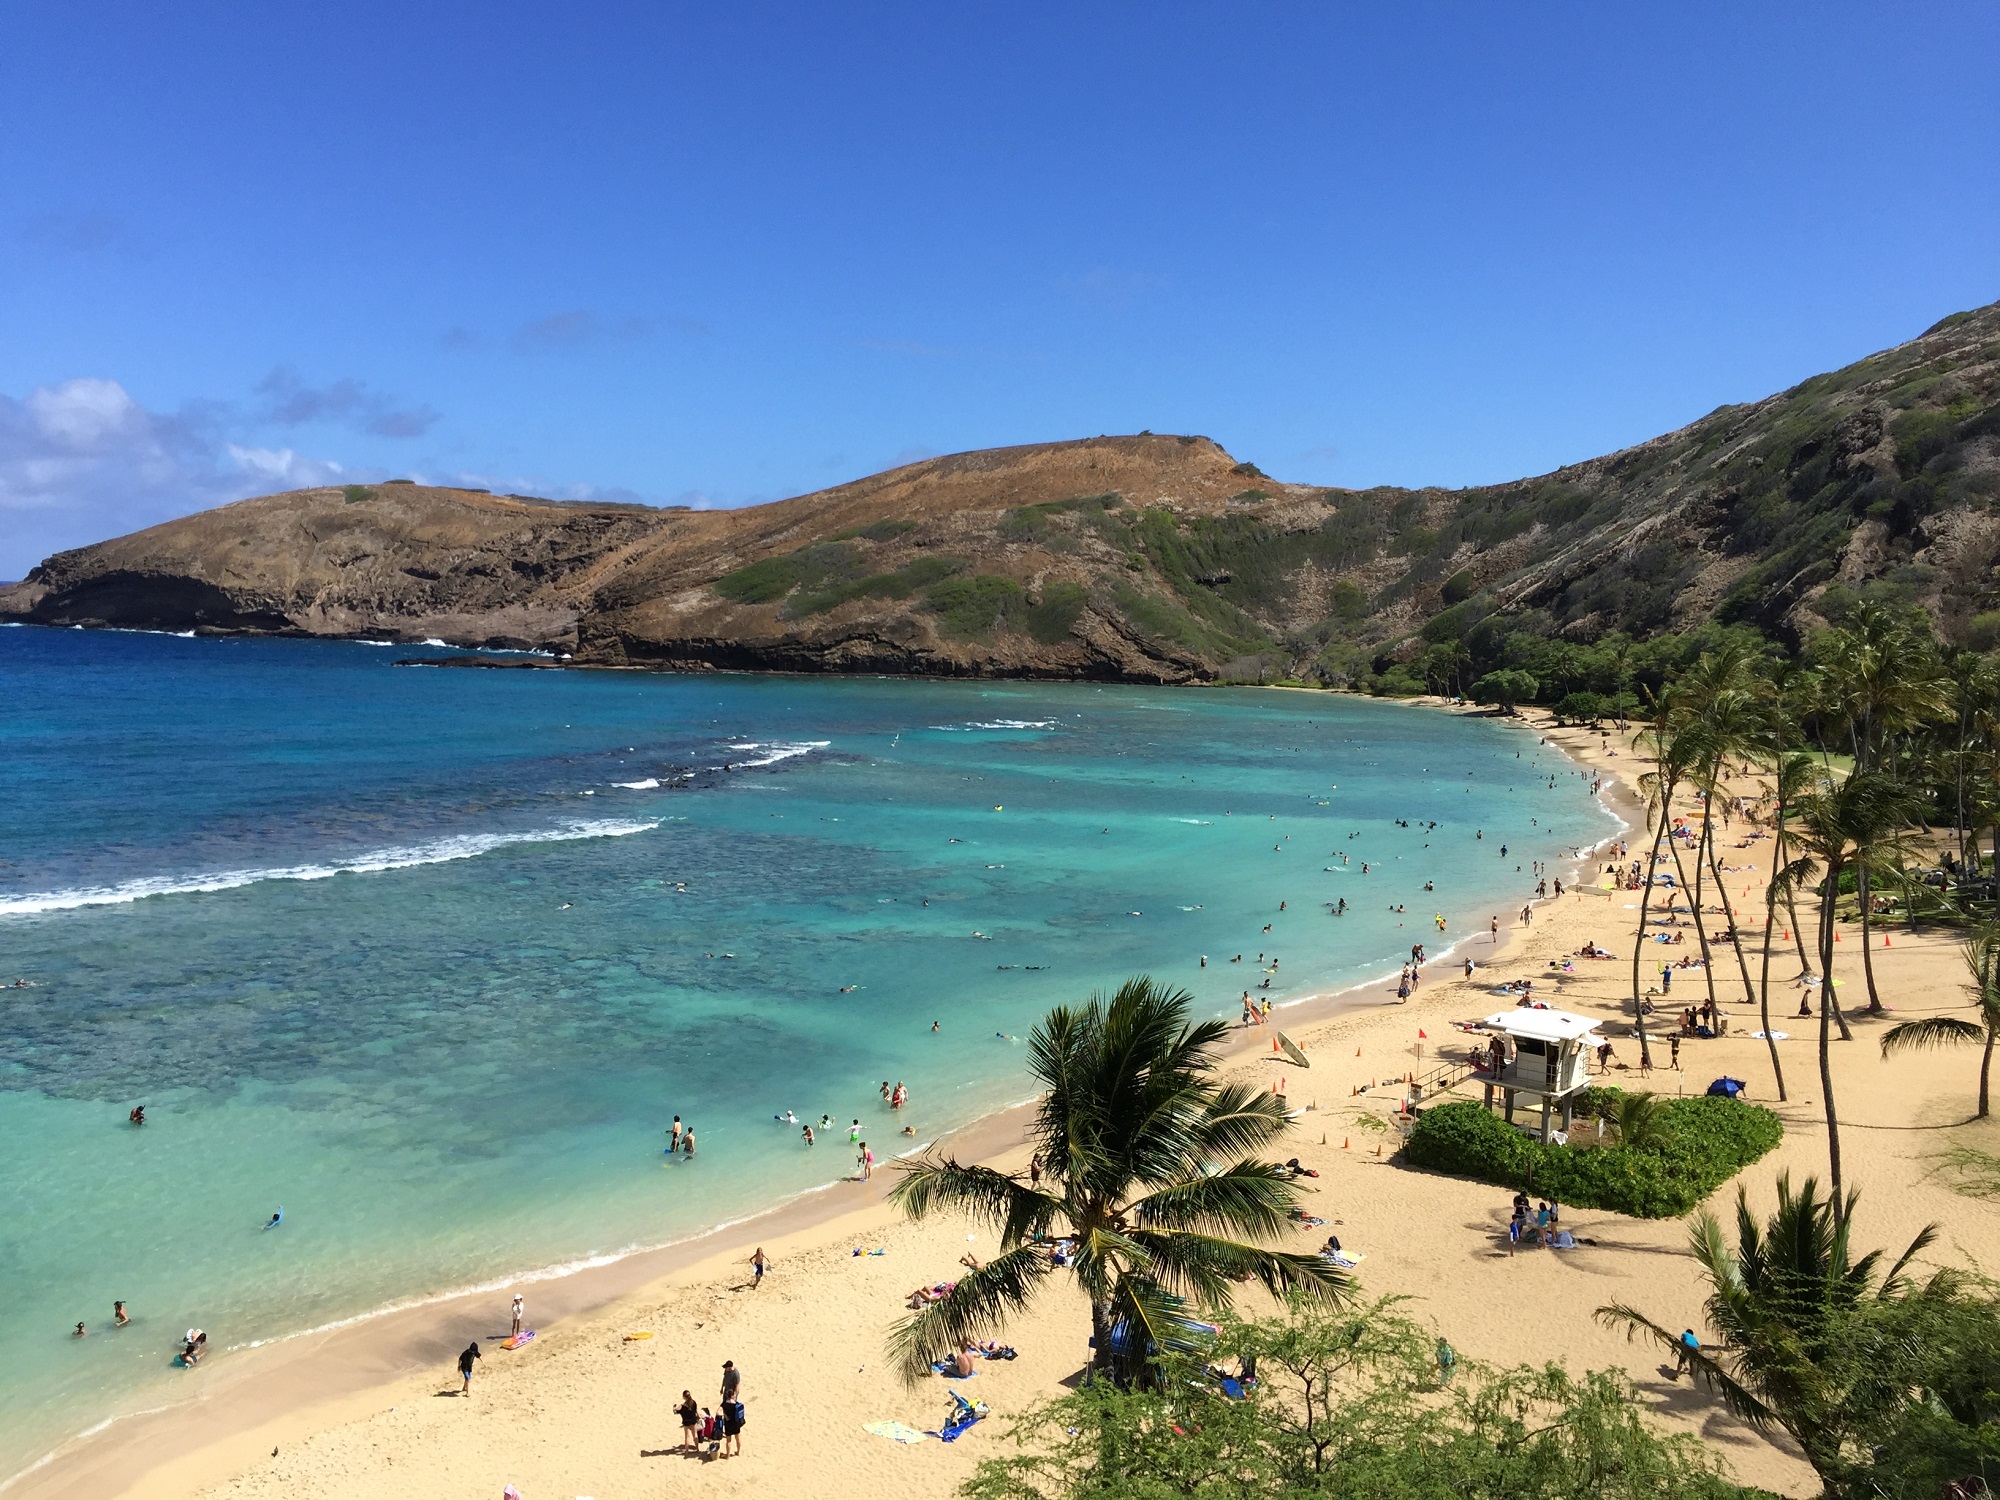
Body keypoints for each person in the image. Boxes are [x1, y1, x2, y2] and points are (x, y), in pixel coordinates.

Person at [721, 1392, 746, 1457]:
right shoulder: (736, 1404)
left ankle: (728, 1455)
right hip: (736, 1423)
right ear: (732, 1395)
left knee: (728, 1440)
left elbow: (720, 1411)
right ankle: (738, 1452)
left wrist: (725, 1416)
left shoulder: (724, 1403)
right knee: (737, 1438)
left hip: (728, 1423)